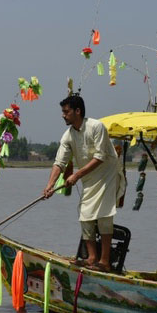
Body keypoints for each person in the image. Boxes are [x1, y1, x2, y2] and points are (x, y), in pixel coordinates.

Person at [43, 95, 119, 271]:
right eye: (63, 112)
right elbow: (59, 163)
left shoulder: (96, 126)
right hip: (89, 178)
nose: (63, 115)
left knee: (104, 216)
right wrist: (50, 185)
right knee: (85, 215)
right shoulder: (68, 135)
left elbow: (100, 156)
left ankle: (105, 262)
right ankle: (92, 258)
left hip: (107, 174)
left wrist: (77, 175)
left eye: (66, 111)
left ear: (78, 111)